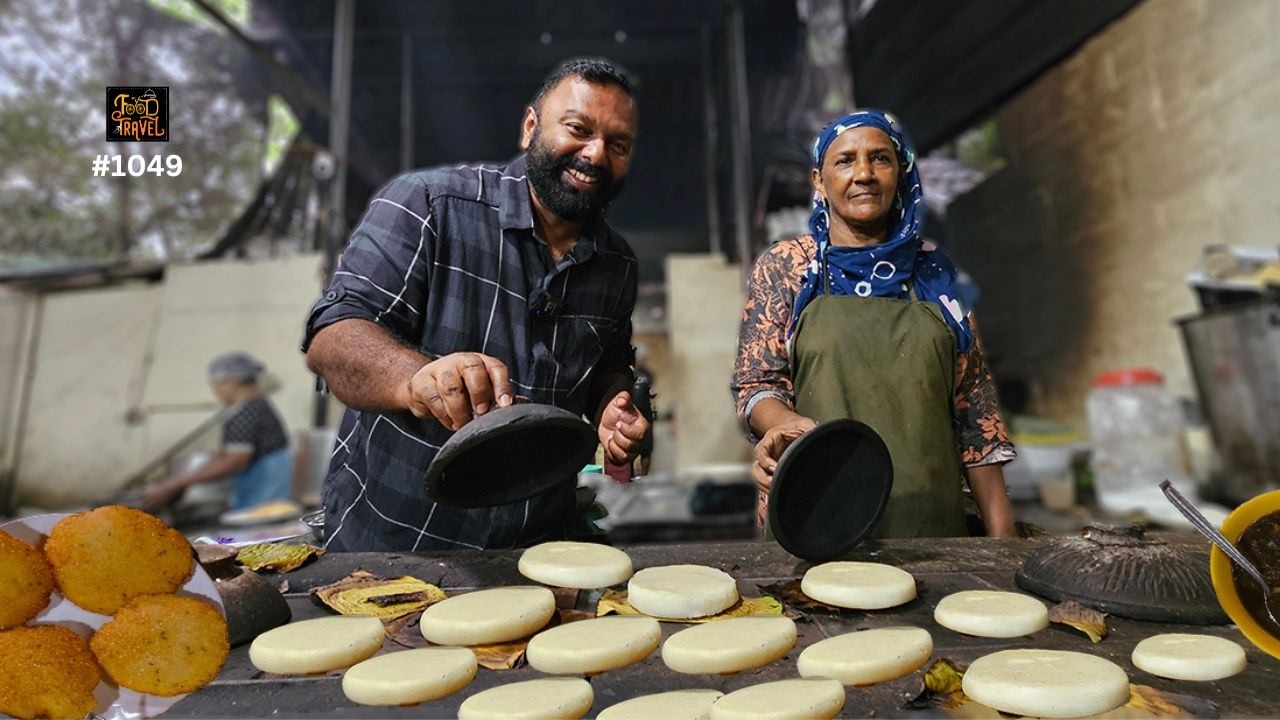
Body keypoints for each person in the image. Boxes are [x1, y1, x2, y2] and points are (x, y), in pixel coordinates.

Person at [302, 57, 650, 552]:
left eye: (618, 145)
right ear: (531, 127)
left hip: (538, 552)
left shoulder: (617, 266)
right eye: (578, 129)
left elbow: (608, 367)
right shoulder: (427, 205)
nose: (595, 155)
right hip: (396, 545)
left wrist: (611, 406)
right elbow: (333, 338)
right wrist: (416, 379)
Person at [731, 109, 1017, 539]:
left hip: (931, 524)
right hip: (815, 518)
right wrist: (782, 423)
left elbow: (977, 416)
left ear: (900, 173)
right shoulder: (789, 267)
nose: (863, 173)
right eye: (845, 161)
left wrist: (1003, 544)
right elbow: (757, 386)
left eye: (880, 159)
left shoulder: (935, 273)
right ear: (819, 181)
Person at [140, 352, 293, 512]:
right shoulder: (255, 406)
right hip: (264, 501)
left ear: (230, 381)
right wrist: (177, 482)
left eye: (215, 385)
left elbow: (235, 460)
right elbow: (226, 455)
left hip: (262, 504)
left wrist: (177, 483)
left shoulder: (246, 412)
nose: (215, 392)